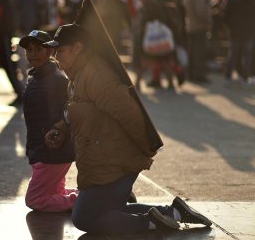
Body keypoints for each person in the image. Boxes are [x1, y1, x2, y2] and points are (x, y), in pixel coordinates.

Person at [43, 24, 212, 234]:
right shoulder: (78, 77)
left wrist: (146, 147)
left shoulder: (96, 75)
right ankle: (174, 213)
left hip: (116, 161)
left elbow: (128, 112)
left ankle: (152, 223)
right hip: (102, 158)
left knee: (84, 218)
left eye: (60, 51)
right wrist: (61, 128)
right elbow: (77, 110)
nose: (56, 57)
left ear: (77, 48)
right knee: (109, 210)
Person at [19, 30, 77, 212]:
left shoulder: (55, 80)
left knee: (35, 199)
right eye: (29, 50)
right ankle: (92, 194)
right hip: (44, 150)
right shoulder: (38, 77)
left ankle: (90, 200)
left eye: (38, 49)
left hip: (51, 152)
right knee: (54, 192)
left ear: (50, 51)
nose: (33, 54)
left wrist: (54, 139)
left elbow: (66, 115)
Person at [223, 0, 255, 86]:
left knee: (233, 54)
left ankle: (228, 76)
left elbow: (226, 15)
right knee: (248, 55)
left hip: (235, 30)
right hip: (250, 30)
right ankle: (245, 78)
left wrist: (230, 26)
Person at [183, 0, 212, 83]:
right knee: (199, 53)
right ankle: (199, 75)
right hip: (199, 27)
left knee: (193, 52)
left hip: (190, 26)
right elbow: (201, 12)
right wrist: (208, 20)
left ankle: (191, 74)